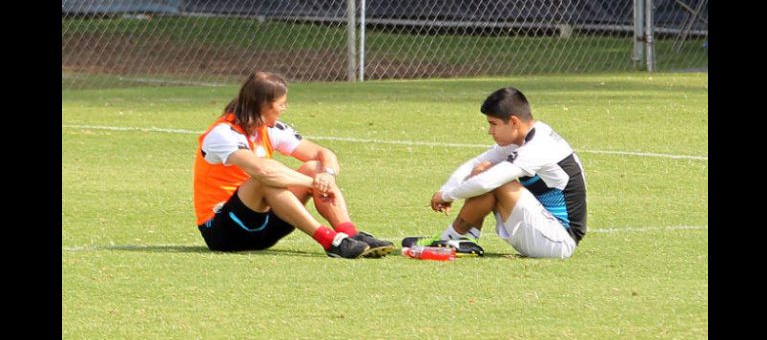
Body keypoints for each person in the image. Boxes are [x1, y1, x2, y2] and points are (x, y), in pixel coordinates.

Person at [193, 71, 395, 259]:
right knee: (265, 179)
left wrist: (327, 175)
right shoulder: (222, 133)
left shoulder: (269, 128)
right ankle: (331, 242)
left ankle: (350, 234)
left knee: (316, 167)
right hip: (223, 233)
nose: (284, 108)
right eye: (281, 103)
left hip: (263, 229)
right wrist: (313, 183)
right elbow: (262, 171)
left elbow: (323, 154)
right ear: (264, 105)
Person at [410, 86, 587, 259]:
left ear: (514, 122)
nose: (490, 131)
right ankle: (464, 238)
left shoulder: (538, 146)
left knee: (493, 179)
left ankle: (450, 237)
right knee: (484, 170)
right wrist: (445, 189)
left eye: (493, 124)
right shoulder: (525, 136)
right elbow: (476, 164)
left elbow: (485, 182)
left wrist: (447, 196)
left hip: (558, 241)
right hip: (543, 230)